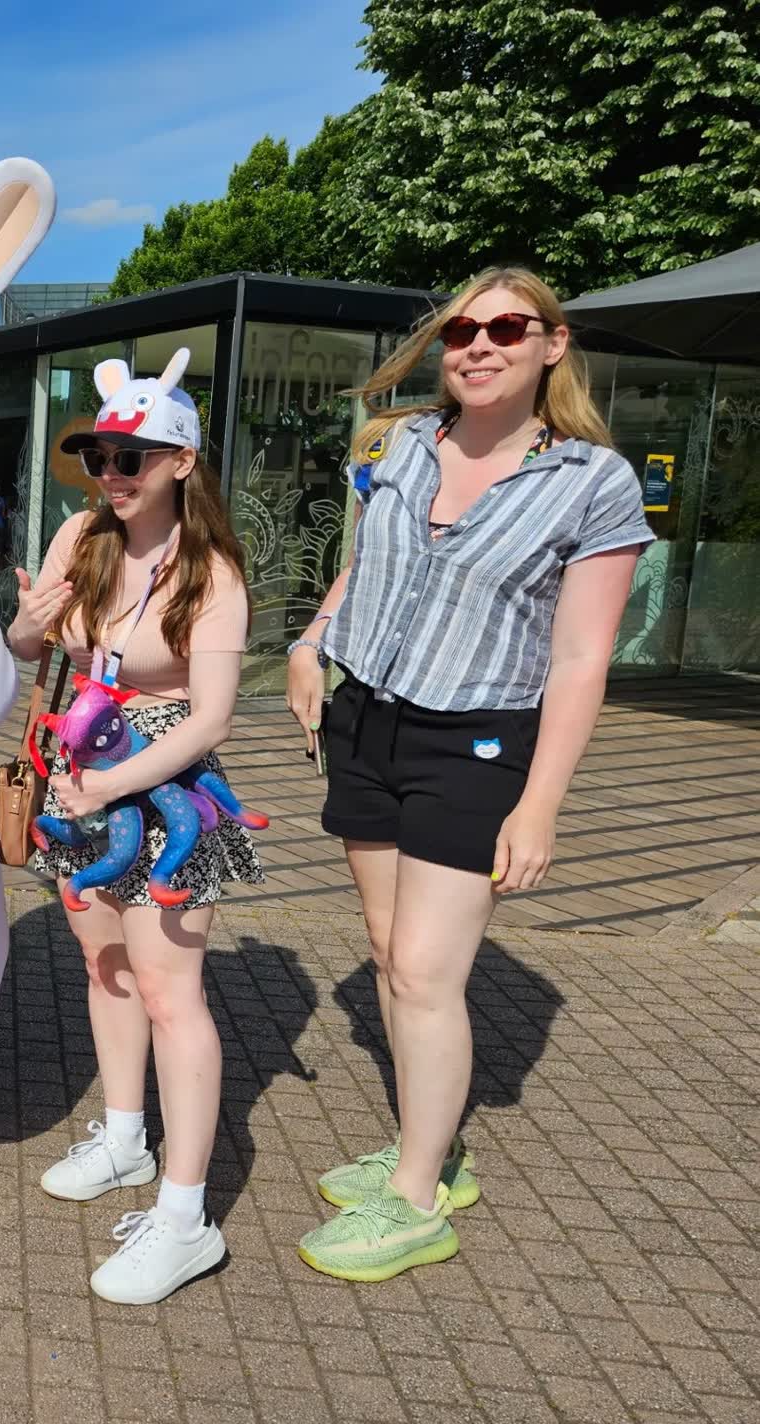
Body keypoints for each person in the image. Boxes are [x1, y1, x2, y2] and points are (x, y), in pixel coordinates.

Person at [287, 268, 650, 1283]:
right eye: (460, 330)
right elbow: (365, 563)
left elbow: (579, 657)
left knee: (423, 971)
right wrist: (311, 640)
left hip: (477, 739)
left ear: (551, 344)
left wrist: (539, 806)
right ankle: (428, 1144)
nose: (478, 345)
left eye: (505, 327)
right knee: (384, 951)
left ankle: (416, 1201)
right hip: (366, 719)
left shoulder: (592, 480)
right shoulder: (402, 444)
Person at [7, 349, 262, 1306]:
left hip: (166, 793)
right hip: (79, 776)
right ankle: (123, 1138)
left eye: (131, 458)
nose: (110, 474)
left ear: (182, 462)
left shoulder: (211, 572)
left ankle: (186, 1218)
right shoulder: (82, 536)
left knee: (169, 992)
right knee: (103, 964)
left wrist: (109, 785)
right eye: (98, 458)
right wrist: (27, 621)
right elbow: (30, 647)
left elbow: (211, 718)